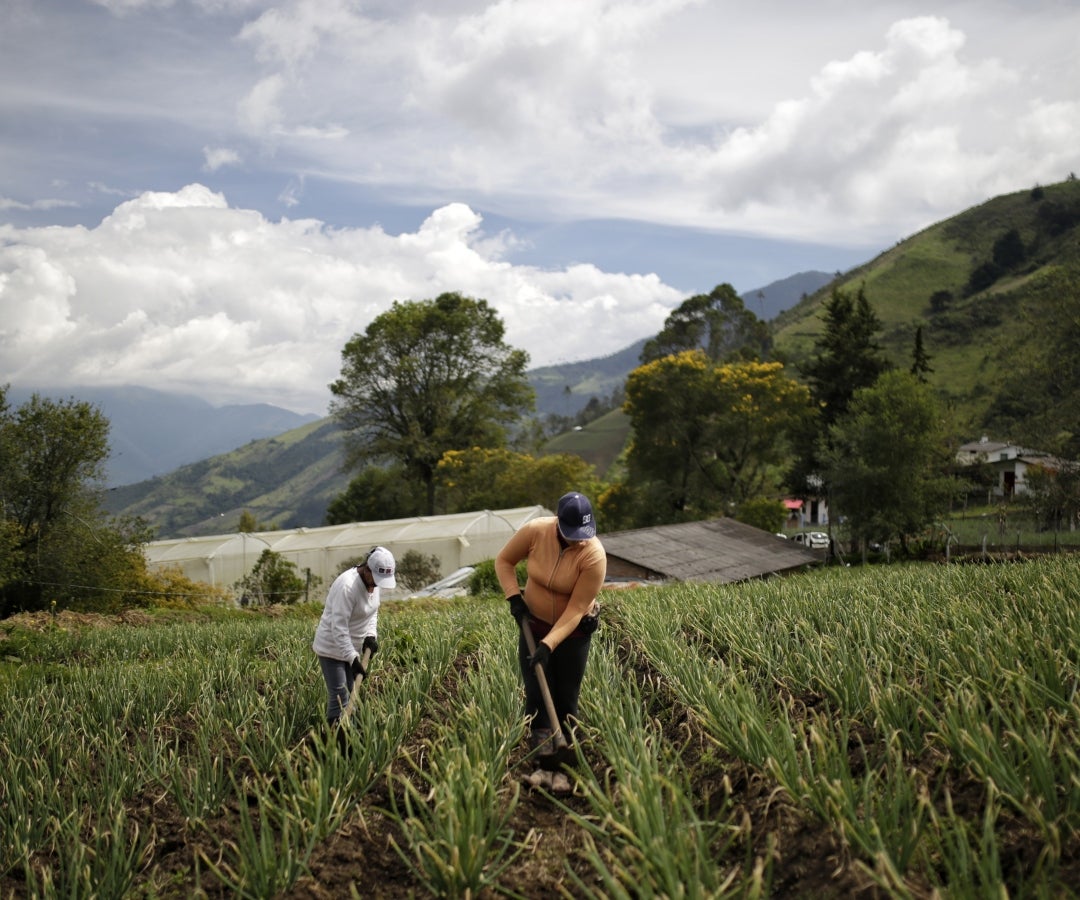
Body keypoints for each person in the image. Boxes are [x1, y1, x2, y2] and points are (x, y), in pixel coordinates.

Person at [496, 491, 606, 792]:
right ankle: (544, 767)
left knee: (565, 698)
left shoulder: (593, 555)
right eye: (572, 535)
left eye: (584, 534)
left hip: (573, 632)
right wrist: (513, 598)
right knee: (536, 698)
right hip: (533, 625)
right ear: (558, 524)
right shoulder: (536, 532)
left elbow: (576, 609)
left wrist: (549, 644)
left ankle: (567, 769)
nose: (579, 541)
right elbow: (504, 561)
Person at [312, 545, 396, 728]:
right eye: (375, 579)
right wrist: (353, 659)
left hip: (353, 646)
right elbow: (339, 627)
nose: (377, 585)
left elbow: (372, 612)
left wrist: (371, 636)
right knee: (340, 695)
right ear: (367, 569)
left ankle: (353, 737)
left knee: (352, 694)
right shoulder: (348, 587)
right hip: (332, 646)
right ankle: (335, 741)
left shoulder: (374, 582)